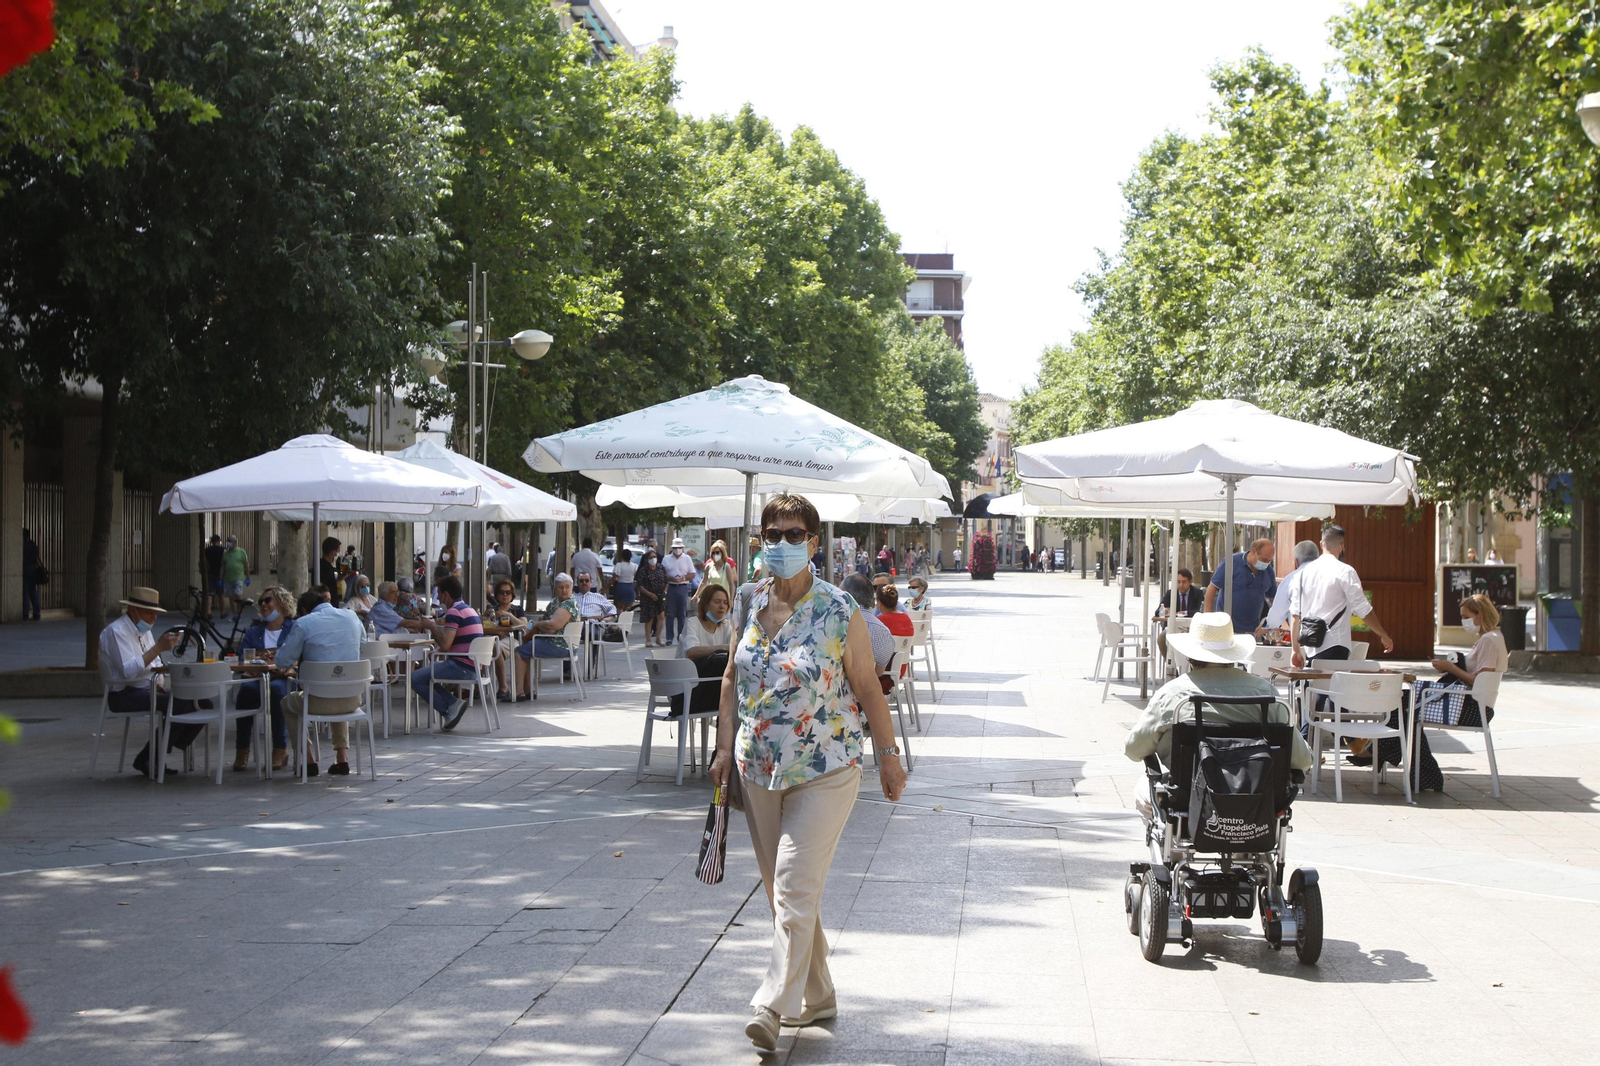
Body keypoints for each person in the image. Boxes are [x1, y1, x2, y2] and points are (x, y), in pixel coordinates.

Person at [707, 494, 905, 1050]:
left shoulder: (841, 609)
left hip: (827, 765)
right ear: (761, 540)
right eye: (774, 534)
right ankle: (817, 993)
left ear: (814, 544)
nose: (784, 544)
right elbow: (729, 678)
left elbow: (867, 687)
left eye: (796, 535)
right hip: (757, 766)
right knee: (783, 894)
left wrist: (890, 758)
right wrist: (724, 750)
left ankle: (772, 1005)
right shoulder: (748, 601)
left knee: (793, 884)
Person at [1124, 611, 1311, 779]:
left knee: (1143, 792)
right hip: (1256, 796)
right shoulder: (1265, 694)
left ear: (1190, 656)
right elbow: (1302, 760)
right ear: (1233, 653)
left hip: (1187, 794)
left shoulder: (1173, 693)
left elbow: (1133, 749)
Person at [1363, 593, 1506, 792]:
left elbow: (1478, 681)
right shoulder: (1489, 638)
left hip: (1472, 707)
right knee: (1404, 707)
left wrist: (1451, 667)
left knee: (1402, 704)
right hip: (1469, 703)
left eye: (1466, 616)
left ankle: (1379, 751)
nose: (1464, 621)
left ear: (1480, 615)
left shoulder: (1489, 640)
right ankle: (1401, 762)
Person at [97, 587, 201, 779]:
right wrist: (159, 648)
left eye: (155, 613)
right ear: (133, 610)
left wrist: (160, 681)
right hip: (122, 693)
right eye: (149, 613)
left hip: (147, 686)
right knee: (180, 704)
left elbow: (157, 664)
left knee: (201, 702)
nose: (153, 618)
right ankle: (150, 756)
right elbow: (128, 672)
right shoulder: (116, 632)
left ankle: (167, 744)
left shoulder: (144, 630)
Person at [278, 590, 365, 776]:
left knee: (287, 703)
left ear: (303, 609)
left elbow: (282, 661)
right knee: (337, 684)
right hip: (352, 698)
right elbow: (363, 641)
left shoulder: (304, 622)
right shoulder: (351, 616)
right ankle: (342, 758)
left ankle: (308, 759)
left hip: (317, 701)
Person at [1288, 524, 1396, 669]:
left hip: (1309, 644)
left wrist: (1295, 649)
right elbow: (1362, 608)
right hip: (1335, 642)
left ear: (1321, 544)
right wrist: (1383, 634)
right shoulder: (1345, 571)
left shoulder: (1302, 573)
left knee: (1312, 690)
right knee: (1332, 690)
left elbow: (1295, 615)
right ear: (1342, 546)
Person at [407, 575, 483, 730]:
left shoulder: (454, 612)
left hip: (461, 665)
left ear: (446, 595)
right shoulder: (469, 609)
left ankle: (449, 708)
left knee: (414, 678)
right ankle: (451, 703)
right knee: (425, 677)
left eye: (440, 594)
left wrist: (432, 626)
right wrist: (440, 649)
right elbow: (458, 640)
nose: (439, 598)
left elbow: (446, 643)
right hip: (474, 665)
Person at [234, 586, 296, 772]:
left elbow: (300, 654)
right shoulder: (253, 631)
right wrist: (268, 658)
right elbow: (242, 658)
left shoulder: (295, 628)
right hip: (258, 677)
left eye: (267, 600)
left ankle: (280, 748)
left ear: (282, 603)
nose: (263, 605)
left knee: (277, 691)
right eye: (261, 602)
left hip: (284, 679)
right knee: (246, 691)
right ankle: (242, 749)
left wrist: (275, 659)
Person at [514, 573, 578, 696]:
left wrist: (538, 625)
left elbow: (551, 626)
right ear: (555, 588)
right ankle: (528, 690)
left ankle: (519, 691)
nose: (564, 590)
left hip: (561, 645)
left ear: (571, 588)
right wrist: (543, 624)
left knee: (520, 652)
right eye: (561, 587)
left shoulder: (569, 604)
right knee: (525, 649)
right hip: (552, 640)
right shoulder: (554, 602)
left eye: (567, 587)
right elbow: (547, 622)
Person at [1204, 537, 1277, 639]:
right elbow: (1212, 588)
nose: (1266, 563)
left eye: (1269, 561)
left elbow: (1274, 599)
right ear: (1254, 551)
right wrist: (1207, 617)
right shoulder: (1232, 562)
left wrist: (1271, 624)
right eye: (1264, 559)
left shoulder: (1268, 571)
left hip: (1253, 631)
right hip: (1226, 629)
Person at [840, 573, 895, 675]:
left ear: (844, 595)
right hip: (866, 687)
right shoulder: (882, 631)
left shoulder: (831, 623)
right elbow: (878, 674)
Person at [485, 576, 529, 701]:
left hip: (512, 641)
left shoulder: (517, 610)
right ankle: (476, 686)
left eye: (508, 592)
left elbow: (524, 626)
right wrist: (486, 617)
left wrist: (508, 615)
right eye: (501, 592)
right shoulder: (491, 610)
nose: (505, 595)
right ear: (497, 595)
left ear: (512, 595)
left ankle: (503, 687)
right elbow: (483, 626)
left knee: (495, 647)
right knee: (483, 645)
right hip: (492, 638)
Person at [1264, 541, 1323, 633]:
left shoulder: (1291, 580)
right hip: (1333, 638)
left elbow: (1277, 614)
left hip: (1303, 637)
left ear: (1296, 561)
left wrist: (1268, 626)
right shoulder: (1330, 576)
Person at [663, 536, 695, 644]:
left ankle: (681, 636)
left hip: (683, 587)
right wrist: (670, 578)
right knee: (670, 614)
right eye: (675, 548)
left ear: (683, 547)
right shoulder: (666, 559)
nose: (677, 550)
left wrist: (684, 578)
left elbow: (692, 573)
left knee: (682, 614)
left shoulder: (687, 559)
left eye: (679, 547)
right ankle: (669, 637)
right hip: (671, 587)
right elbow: (662, 574)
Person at [636, 548, 669, 647]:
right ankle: (648, 639)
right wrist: (649, 594)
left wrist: (665, 592)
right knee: (649, 618)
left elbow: (666, 581)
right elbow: (640, 585)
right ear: (646, 559)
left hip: (660, 595)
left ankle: (658, 638)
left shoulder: (661, 568)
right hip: (648, 597)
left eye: (654, 557)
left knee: (661, 616)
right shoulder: (643, 570)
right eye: (650, 557)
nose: (653, 559)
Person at [222, 534, 250, 618]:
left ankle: (239, 613)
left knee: (238, 595)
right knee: (231, 597)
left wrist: (248, 577)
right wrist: (221, 578)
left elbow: (246, 565)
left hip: (238, 577)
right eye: (227, 541)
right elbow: (222, 566)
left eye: (230, 541)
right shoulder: (225, 553)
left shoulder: (241, 552)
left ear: (235, 542)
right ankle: (234, 614)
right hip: (228, 578)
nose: (228, 543)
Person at [201, 533, 225, 619]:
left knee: (209, 594)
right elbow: (224, 563)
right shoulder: (223, 550)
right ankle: (222, 613)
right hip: (220, 575)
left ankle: (208, 612)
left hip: (210, 573)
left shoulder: (207, 550)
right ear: (219, 541)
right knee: (221, 594)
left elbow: (204, 562)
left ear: (211, 542)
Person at [21, 527, 41, 621]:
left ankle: (25, 614)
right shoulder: (32, 544)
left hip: (24, 570)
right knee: (33, 591)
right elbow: (37, 554)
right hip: (33, 570)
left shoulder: (21, 545)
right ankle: (37, 613)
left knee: (25, 592)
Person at [611, 547, 638, 613]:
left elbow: (614, 578)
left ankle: (620, 620)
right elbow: (637, 578)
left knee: (620, 607)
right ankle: (627, 621)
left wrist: (606, 587)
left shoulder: (619, 565)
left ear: (622, 556)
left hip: (621, 587)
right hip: (630, 587)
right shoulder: (635, 566)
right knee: (629, 608)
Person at [319, 537, 344, 607]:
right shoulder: (324, 567)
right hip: (328, 605)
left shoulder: (327, 566)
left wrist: (342, 578)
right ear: (332, 552)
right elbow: (322, 587)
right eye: (336, 552)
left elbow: (331, 584)